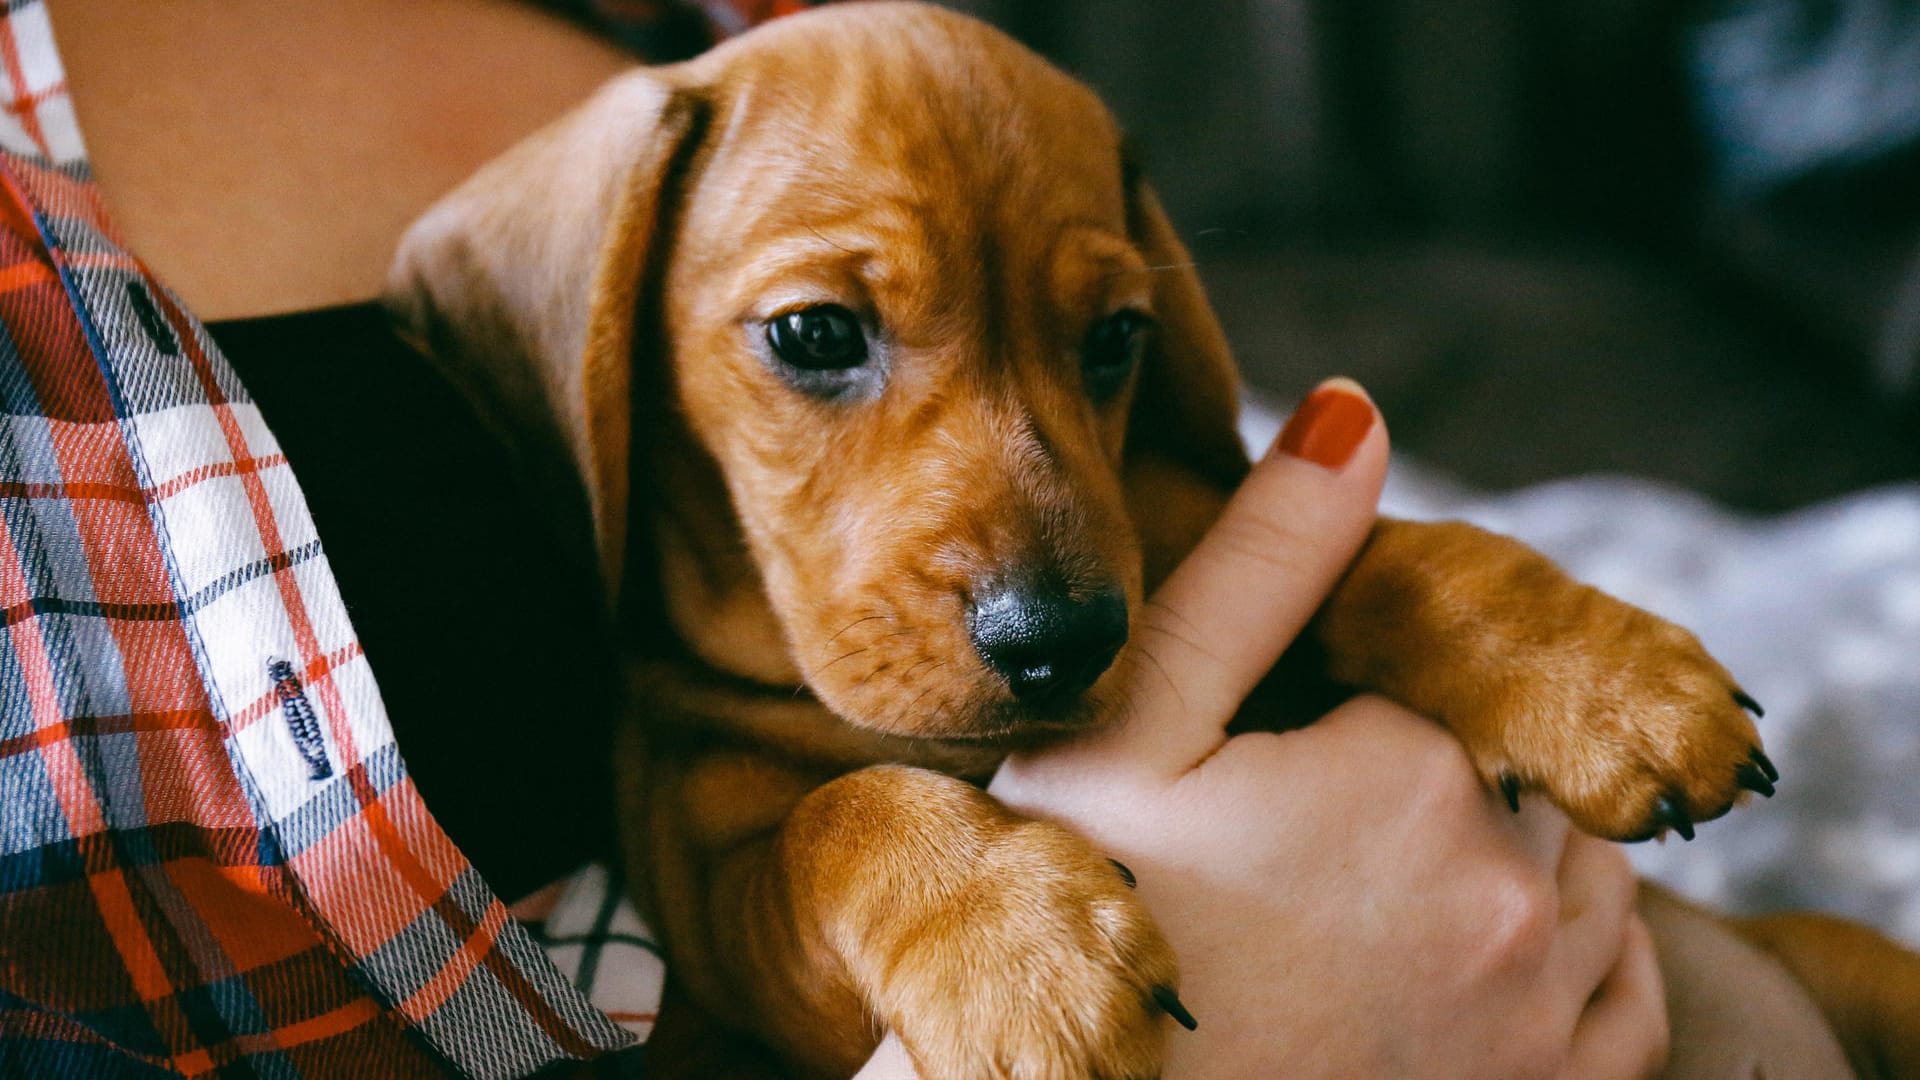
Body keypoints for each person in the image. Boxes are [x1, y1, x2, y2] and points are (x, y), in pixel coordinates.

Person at [2, 1, 1821, 1076]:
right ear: (578, 343)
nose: (1043, 568)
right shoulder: (697, 668)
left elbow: (1245, 516)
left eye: (1098, 339)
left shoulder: (737, 48)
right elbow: (749, 905)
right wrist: (911, 863)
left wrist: (1456, 598)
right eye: (821, 343)